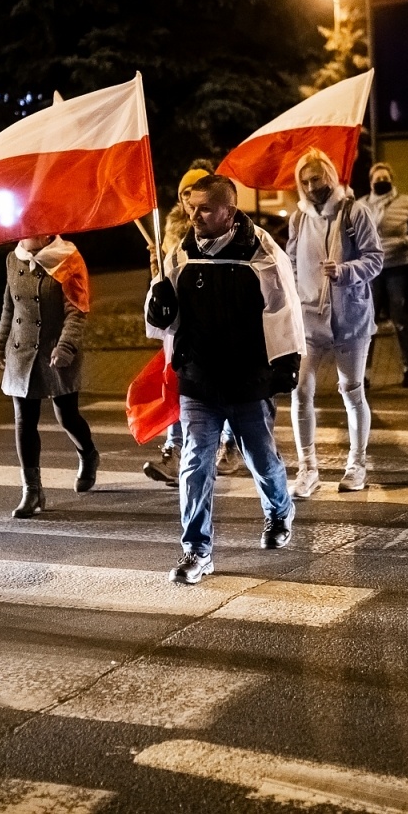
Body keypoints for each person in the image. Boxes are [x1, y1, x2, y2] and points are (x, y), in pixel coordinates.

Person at [146, 174, 303, 584]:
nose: (194, 215)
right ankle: (196, 550)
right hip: (199, 378)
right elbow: (164, 321)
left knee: (261, 457)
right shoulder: (180, 253)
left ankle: (279, 511)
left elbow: (285, 307)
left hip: (248, 377)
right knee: (196, 463)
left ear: (228, 212)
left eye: (204, 208)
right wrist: (157, 302)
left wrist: (287, 362)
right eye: (190, 207)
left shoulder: (261, 251)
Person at [286, 148, 383, 497]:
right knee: (300, 390)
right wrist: (292, 300)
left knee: (352, 391)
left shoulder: (354, 211)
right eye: (305, 181)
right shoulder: (298, 219)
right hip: (309, 320)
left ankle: (357, 464)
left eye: (318, 178)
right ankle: (307, 468)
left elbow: (376, 259)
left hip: (350, 318)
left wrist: (346, 271)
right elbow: (291, 264)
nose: (312, 186)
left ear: (330, 174)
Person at [143, 161, 241, 485]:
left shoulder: (227, 236)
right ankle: (177, 451)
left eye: (195, 193)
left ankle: (230, 444)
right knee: (176, 385)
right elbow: (165, 287)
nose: (189, 202)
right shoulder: (172, 231)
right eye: (185, 193)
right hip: (184, 332)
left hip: (220, 333)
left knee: (227, 390)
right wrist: (156, 268)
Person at [0, 234, 97, 517]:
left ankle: (88, 454)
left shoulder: (67, 258)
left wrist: (66, 346)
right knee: (24, 421)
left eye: (37, 226)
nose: (30, 233)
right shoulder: (13, 259)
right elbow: (9, 307)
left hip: (56, 349)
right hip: (21, 350)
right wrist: (0, 344)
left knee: (67, 416)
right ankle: (32, 491)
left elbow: (77, 310)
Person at [360, 162, 408, 387]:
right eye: (376, 180)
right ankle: (365, 373)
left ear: (391, 179)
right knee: (368, 322)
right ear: (370, 182)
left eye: (384, 179)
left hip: (398, 267)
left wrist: (406, 241)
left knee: (400, 319)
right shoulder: (361, 205)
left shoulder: (406, 203)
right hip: (371, 271)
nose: (380, 183)